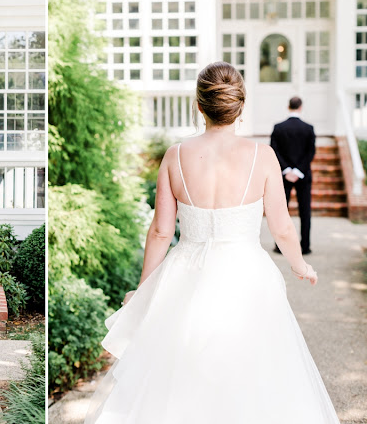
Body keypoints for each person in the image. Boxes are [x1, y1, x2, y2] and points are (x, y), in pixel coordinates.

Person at [84, 62, 339, 423]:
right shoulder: (262, 157)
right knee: (255, 375)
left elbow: (160, 231)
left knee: (178, 377)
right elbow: (281, 228)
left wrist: (143, 290)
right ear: (240, 106)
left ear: (199, 106)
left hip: (185, 275)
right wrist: (300, 265)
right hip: (248, 276)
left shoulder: (175, 156)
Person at [270, 96, 316, 255]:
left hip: (284, 176)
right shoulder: (308, 128)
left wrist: (287, 170)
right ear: (300, 107)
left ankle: (280, 246)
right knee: (305, 212)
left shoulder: (278, 127)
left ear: (288, 106)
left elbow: (274, 151)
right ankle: (305, 246)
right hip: (303, 175)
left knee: (281, 211)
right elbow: (311, 152)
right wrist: (298, 171)